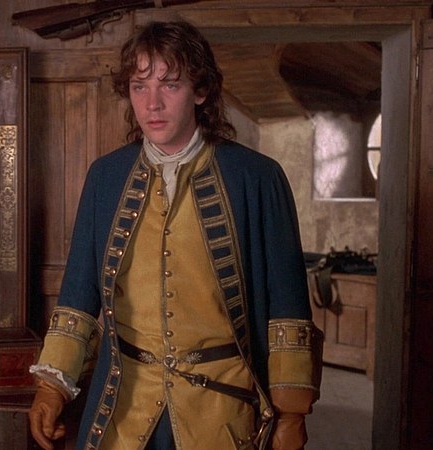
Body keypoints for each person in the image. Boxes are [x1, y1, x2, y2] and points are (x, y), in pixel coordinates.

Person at [27, 20, 322, 450]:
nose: (153, 104)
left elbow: (288, 305)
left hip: (222, 415)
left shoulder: (257, 178)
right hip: (123, 409)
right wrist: (52, 386)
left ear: (200, 91)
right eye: (139, 86)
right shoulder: (106, 177)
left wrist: (292, 411)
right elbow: (78, 294)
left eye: (170, 85)